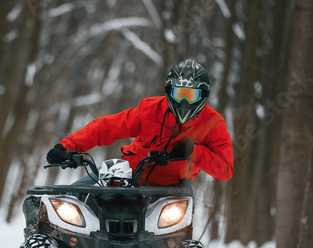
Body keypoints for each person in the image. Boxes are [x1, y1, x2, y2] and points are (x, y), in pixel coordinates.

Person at [46, 59, 233, 187]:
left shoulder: (213, 123)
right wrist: (65, 146)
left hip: (174, 187)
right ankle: (45, 235)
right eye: (179, 93)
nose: (184, 102)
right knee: (70, 199)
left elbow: (225, 170)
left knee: (182, 233)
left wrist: (194, 152)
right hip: (130, 171)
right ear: (169, 91)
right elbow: (107, 127)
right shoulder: (150, 109)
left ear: (203, 95)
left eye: (191, 95)